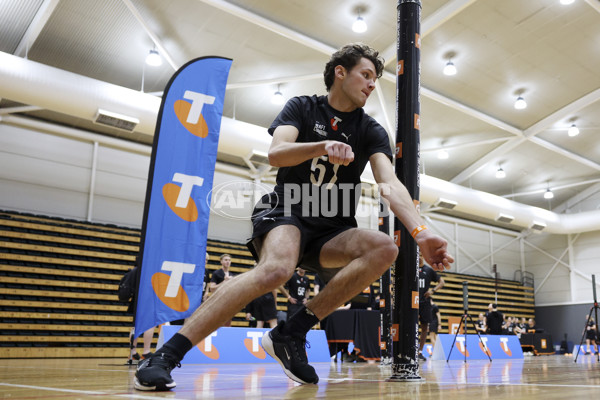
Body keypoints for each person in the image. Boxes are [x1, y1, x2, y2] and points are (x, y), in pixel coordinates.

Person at [134, 43, 453, 391]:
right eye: (366, 75)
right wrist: (321, 146)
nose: (371, 84)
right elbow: (277, 154)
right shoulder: (302, 107)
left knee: (384, 249)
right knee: (276, 269)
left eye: (375, 79)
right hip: (288, 208)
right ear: (340, 72)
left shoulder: (370, 130)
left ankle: (291, 332)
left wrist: (420, 232)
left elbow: (389, 183)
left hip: (332, 224)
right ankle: (164, 355)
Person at [418, 254, 445, 360]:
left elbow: (442, 282)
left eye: (421, 255)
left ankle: (419, 352)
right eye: (418, 254)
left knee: (424, 327)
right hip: (413, 302)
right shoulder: (411, 269)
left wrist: (432, 291)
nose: (419, 257)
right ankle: (411, 351)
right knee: (411, 327)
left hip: (424, 302)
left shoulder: (428, 270)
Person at [209, 254, 235, 327]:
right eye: (226, 260)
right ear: (221, 261)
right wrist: (224, 282)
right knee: (217, 322)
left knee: (228, 322)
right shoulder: (216, 273)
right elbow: (212, 288)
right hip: (218, 300)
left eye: (229, 260)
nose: (228, 262)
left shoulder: (231, 274)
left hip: (229, 300)